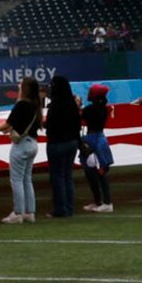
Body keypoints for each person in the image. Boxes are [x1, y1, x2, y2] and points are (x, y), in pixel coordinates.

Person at [39, 73, 81, 221]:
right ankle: (69, 207)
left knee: (57, 177)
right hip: (72, 143)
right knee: (68, 176)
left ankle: (60, 208)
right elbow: (77, 124)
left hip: (57, 143)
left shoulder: (55, 105)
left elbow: (50, 124)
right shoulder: (72, 103)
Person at [0, 78, 41, 224]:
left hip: (22, 145)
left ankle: (18, 212)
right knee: (27, 179)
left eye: (21, 85)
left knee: (16, 180)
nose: (18, 86)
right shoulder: (35, 105)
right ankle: (29, 212)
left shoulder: (21, 104)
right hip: (33, 143)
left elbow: (7, 123)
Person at [81, 83, 116, 208]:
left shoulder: (89, 109)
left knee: (92, 172)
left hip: (92, 140)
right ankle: (102, 201)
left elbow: (80, 118)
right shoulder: (103, 108)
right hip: (100, 139)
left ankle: (105, 202)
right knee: (100, 171)